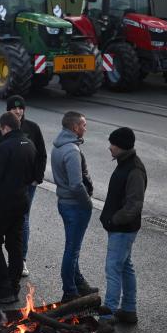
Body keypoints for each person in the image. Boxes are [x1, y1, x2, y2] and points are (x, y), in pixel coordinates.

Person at [0, 95, 46, 277]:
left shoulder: (33, 128)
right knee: (11, 224)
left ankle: (22, 260)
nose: (18, 111)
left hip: (27, 183)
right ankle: (14, 264)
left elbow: (41, 155)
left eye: (21, 108)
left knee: (23, 220)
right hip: (7, 186)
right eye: (14, 108)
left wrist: (37, 178)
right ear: (8, 111)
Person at [0, 112, 37, 304]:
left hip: (1, 204)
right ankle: (14, 285)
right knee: (15, 244)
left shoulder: (4, 147)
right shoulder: (29, 144)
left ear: (4, 127)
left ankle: (4, 287)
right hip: (21, 201)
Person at [99, 127, 147, 325]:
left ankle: (108, 313)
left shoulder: (134, 169)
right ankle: (128, 309)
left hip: (123, 228)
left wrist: (114, 220)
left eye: (113, 144)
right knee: (125, 267)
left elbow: (134, 204)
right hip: (122, 227)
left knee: (113, 268)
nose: (110, 147)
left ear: (122, 146)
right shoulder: (126, 162)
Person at [51, 112, 99, 303]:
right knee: (73, 249)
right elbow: (76, 184)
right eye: (84, 125)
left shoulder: (59, 146)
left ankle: (79, 284)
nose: (85, 128)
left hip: (65, 203)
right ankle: (70, 291)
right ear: (75, 127)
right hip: (75, 206)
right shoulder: (71, 150)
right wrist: (88, 203)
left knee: (73, 247)